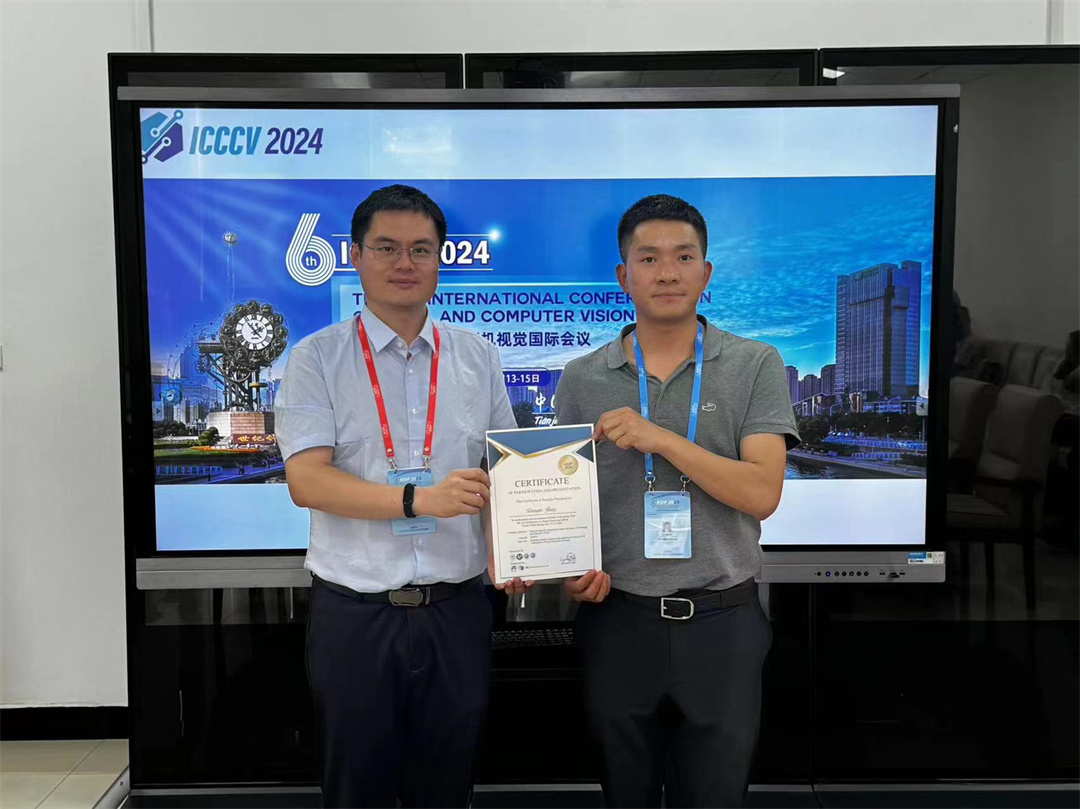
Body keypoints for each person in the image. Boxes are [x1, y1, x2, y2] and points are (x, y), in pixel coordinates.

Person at [276, 185, 526, 808]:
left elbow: (504, 470)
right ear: (355, 256)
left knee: (448, 785)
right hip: (355, 615)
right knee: (355, 788)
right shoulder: (316, 359)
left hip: (456, 611)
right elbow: (308, 481)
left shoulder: (478, 357)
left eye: (421, 248)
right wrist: (418, 500)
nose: (404, 262)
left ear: (442, 257)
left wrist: (518, 551)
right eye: (386, 247)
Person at [554, 194, 800, 808]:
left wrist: (661, 438)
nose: (667, 272)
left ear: (706, 272)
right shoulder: (581, 377)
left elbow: (762, 492)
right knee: (624, 794)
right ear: (624, 276)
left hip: (724, 622)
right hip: (618, 622)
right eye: (649, 258)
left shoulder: (754, 363)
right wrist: (567, 569)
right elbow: (564, 502)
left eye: (684, 257)